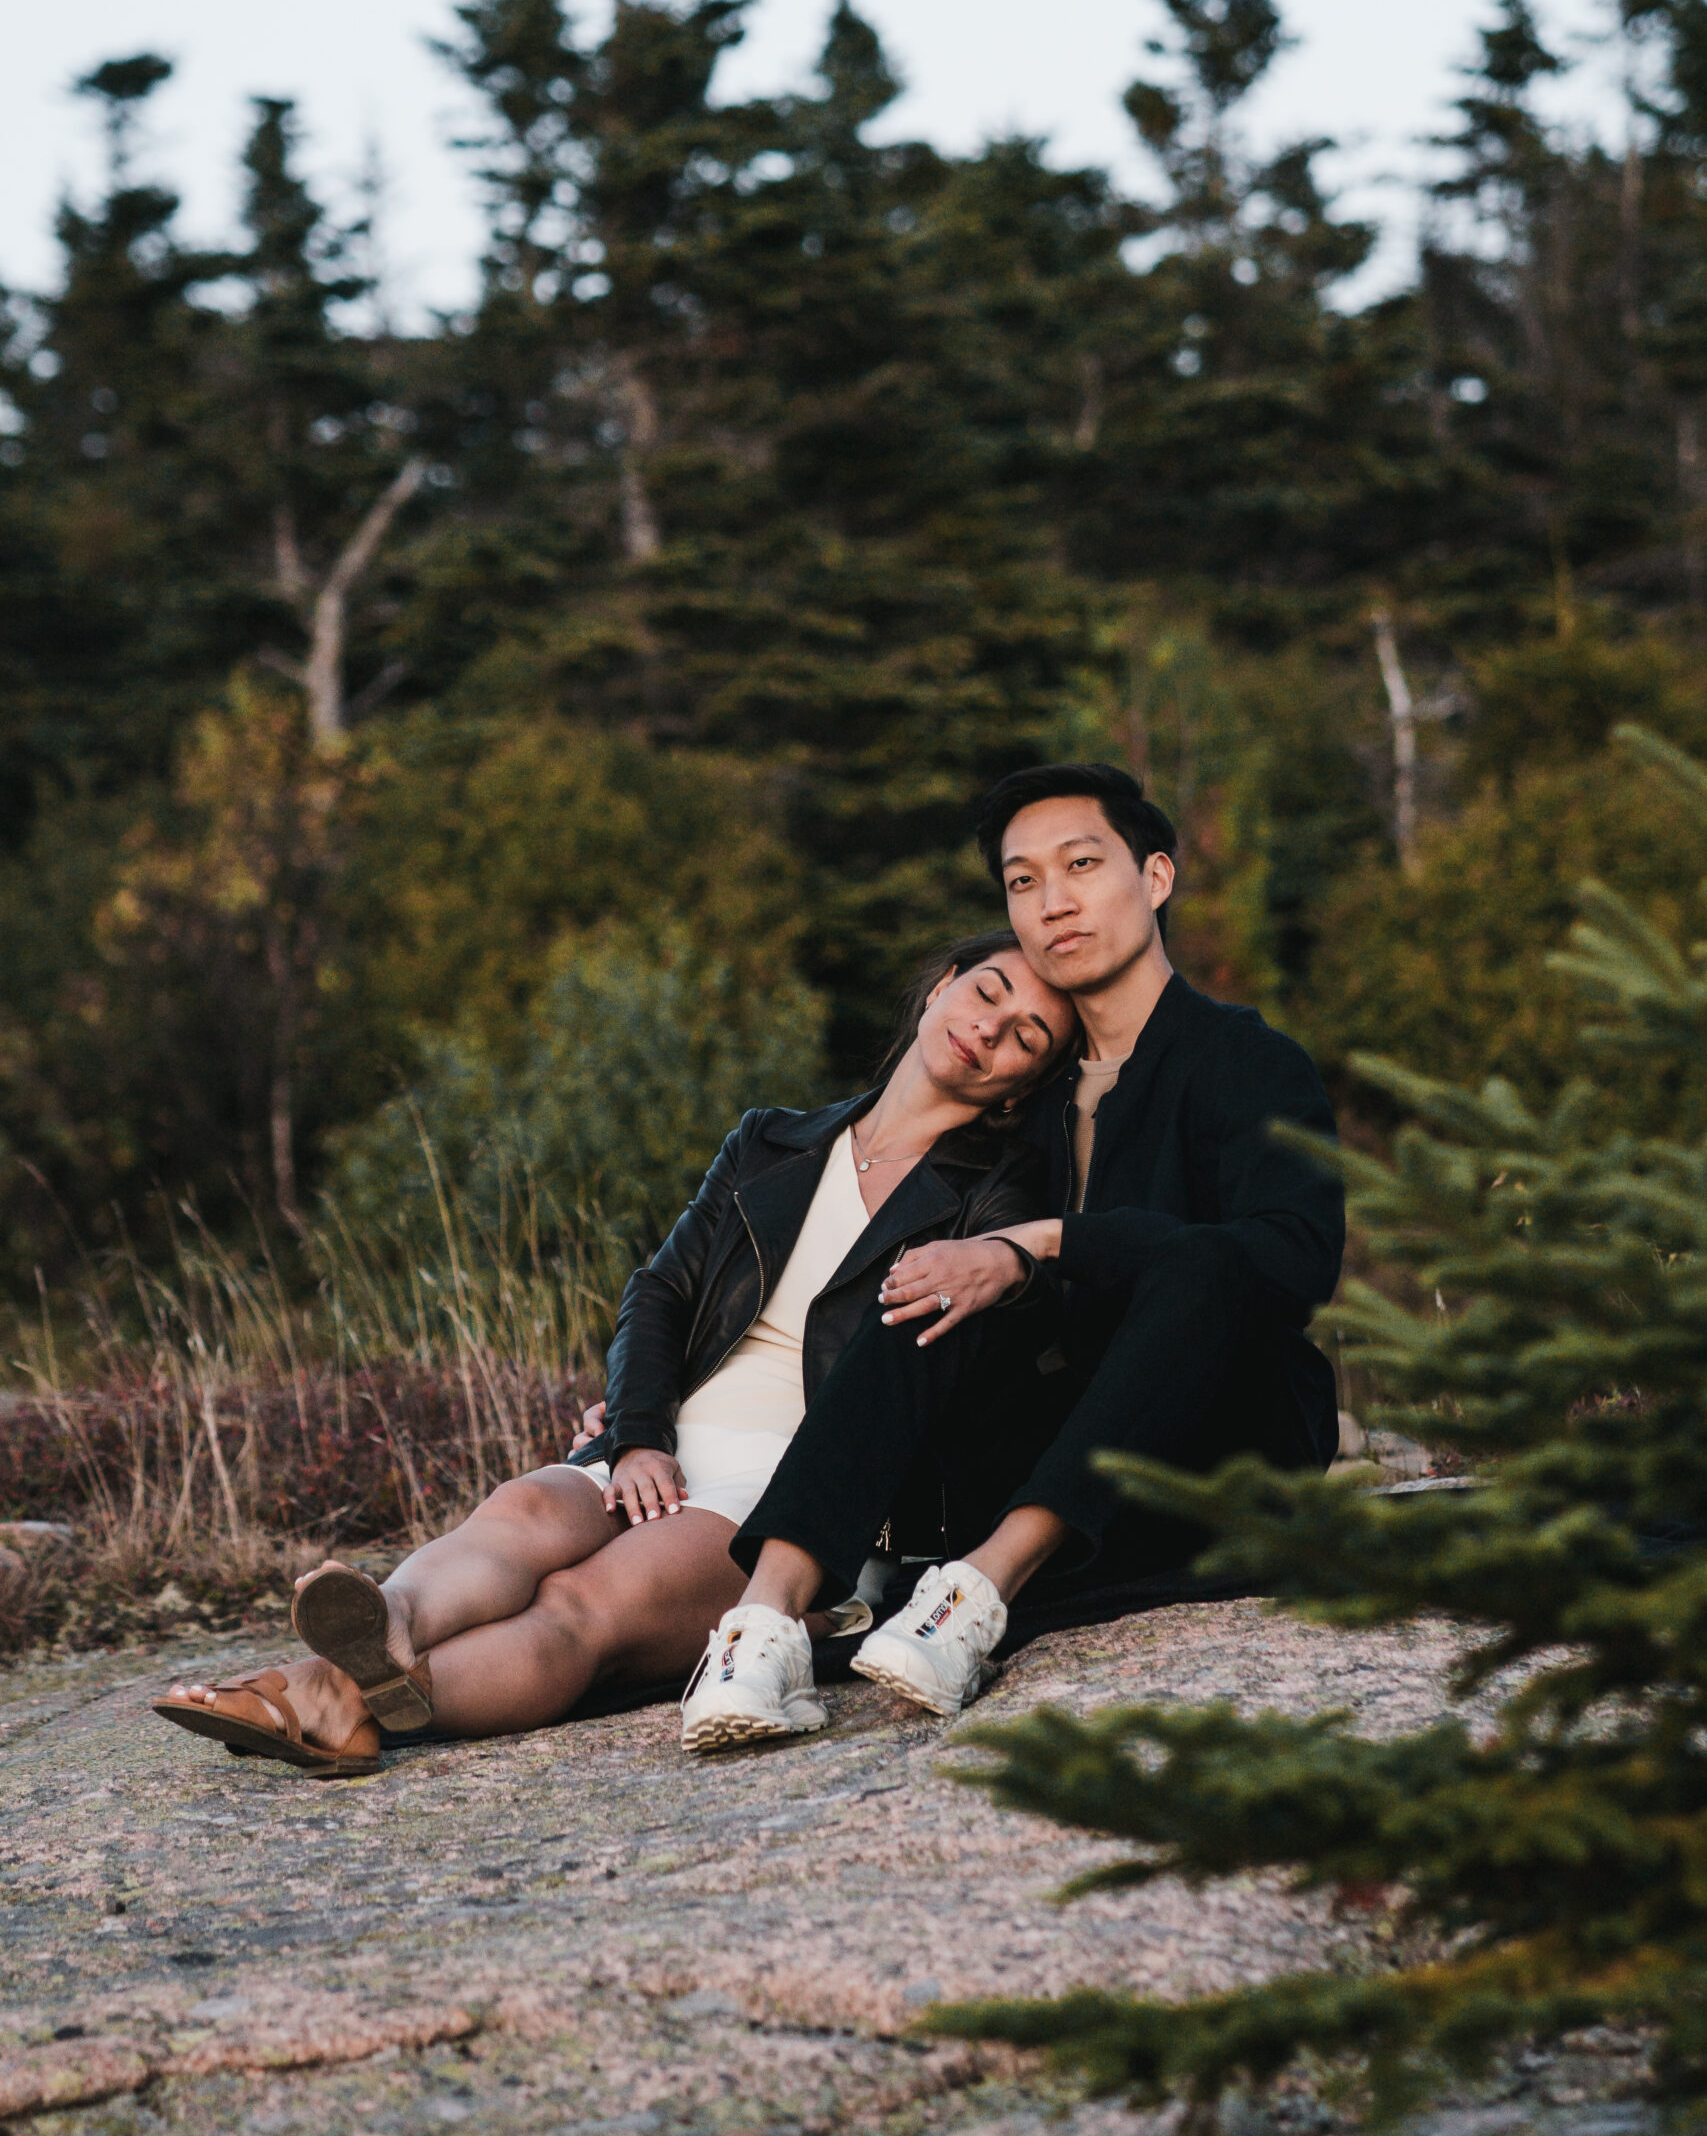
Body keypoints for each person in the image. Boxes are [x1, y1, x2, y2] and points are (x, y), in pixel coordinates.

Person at [152, 929, 1077, 1775]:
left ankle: (333, 1698)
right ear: (941, 987)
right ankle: (388, 1622)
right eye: (986, 994)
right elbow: (660, 1292)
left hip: (798, 1482)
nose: (988, 1030)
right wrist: (637, 1435)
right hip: (670, 1434)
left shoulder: (998, 1196)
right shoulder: (772, 1141)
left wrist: (1014, 1261)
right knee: (519, 1513)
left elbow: (1000, 1335)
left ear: (1022, 1087)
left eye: (1024, 1038)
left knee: (583, 1604)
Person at [681, 761, 1344, 1740]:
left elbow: (1294, 1260)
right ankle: (763, 1625)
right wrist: (670, 1387)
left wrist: (1037, 1243)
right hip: (1051, 1462)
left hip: (1217, 1454)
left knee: (1206, 1262)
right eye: (1022, 881)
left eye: (1081, 865)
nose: (1052, 902)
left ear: (1156, 877)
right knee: (937, 1282)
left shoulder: (1246, 1060)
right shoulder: (1025, 1097)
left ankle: (979, 1596)